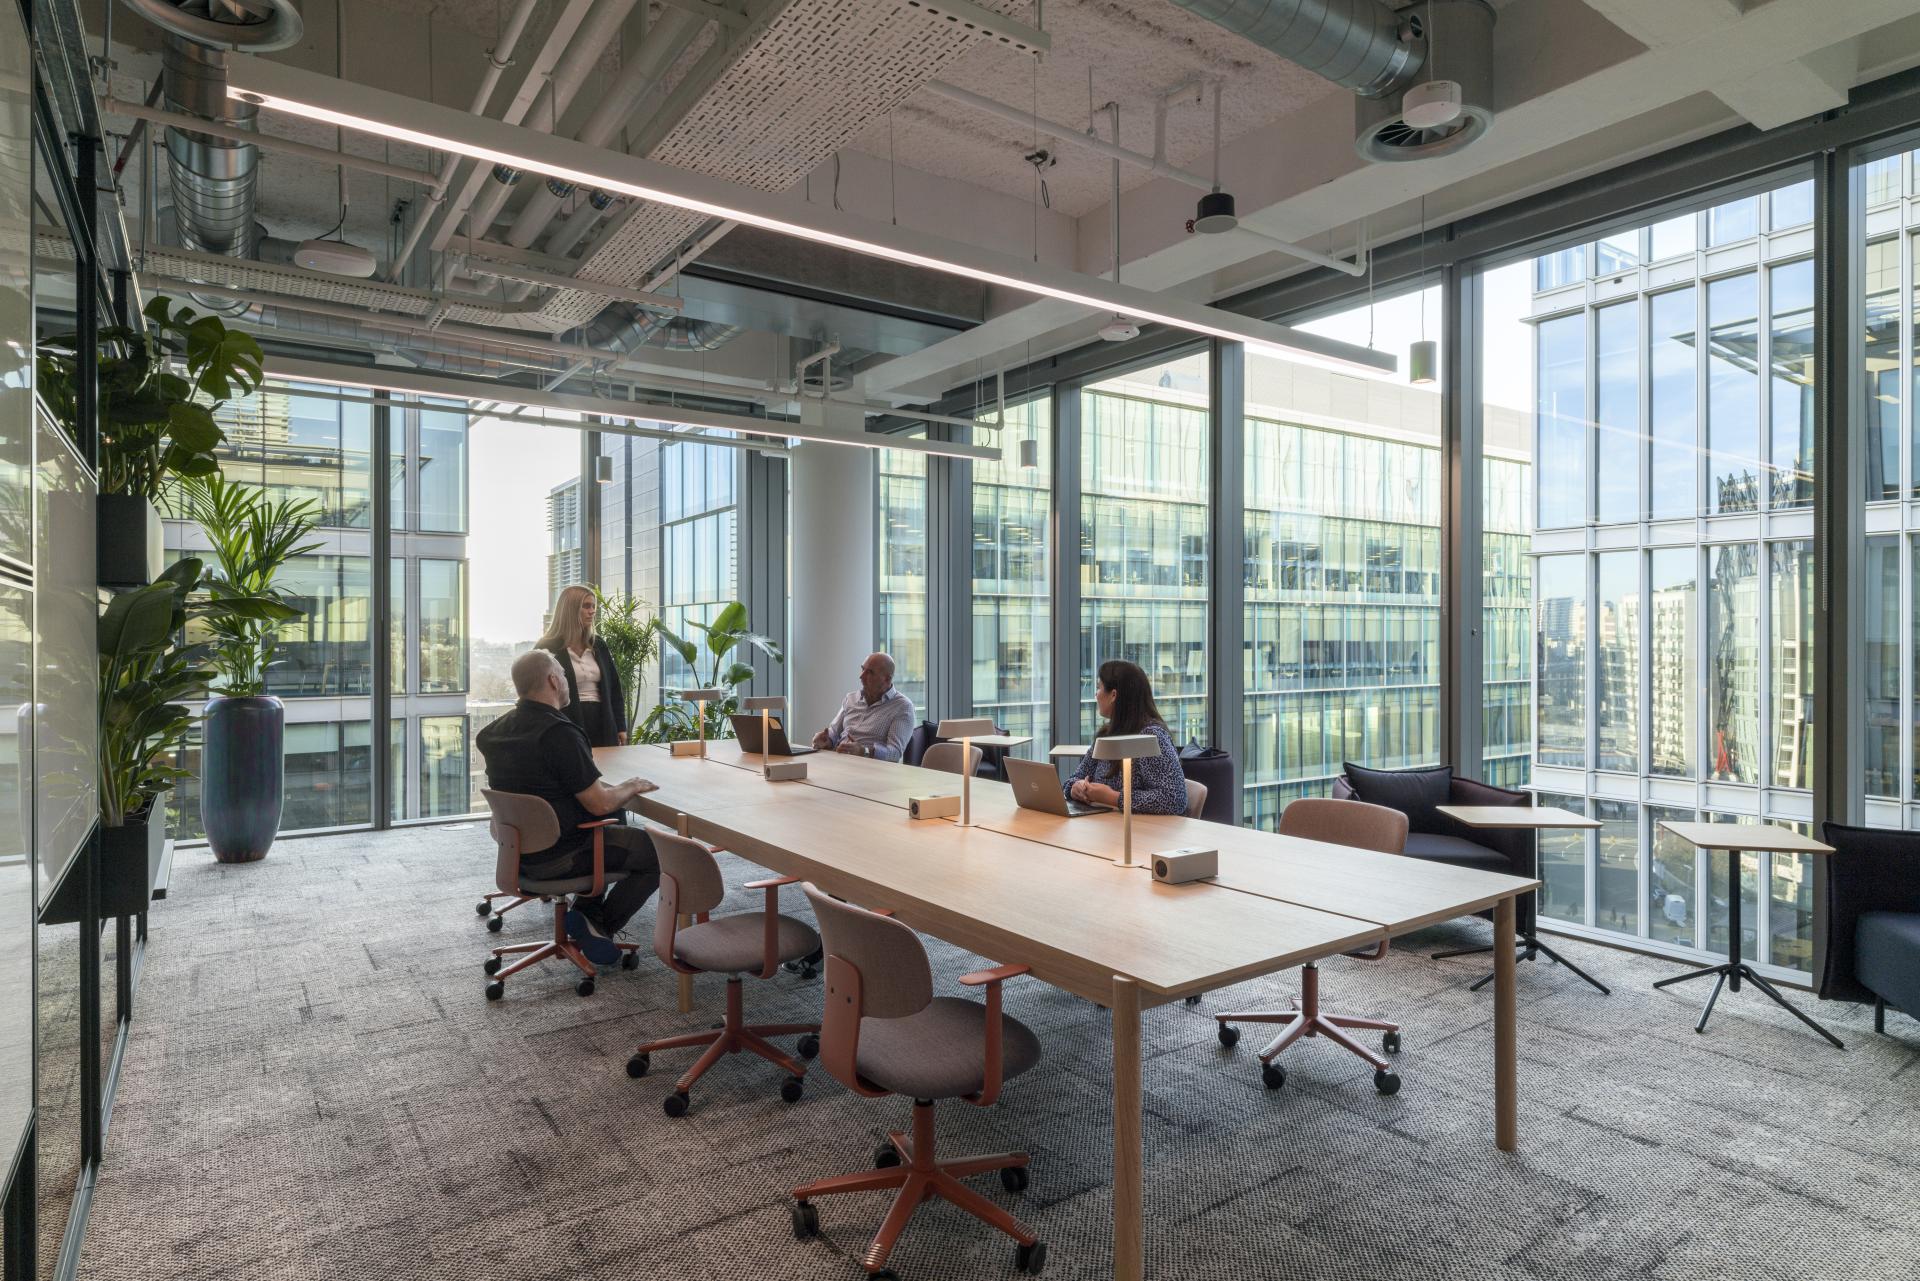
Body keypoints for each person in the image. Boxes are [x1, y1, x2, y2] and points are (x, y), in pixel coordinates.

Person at [476, 650, 659, 964]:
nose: (566, 680)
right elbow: (598, 802)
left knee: (616, 823)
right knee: (658, 852)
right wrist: (631, 786)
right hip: (564, 854)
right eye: (563, 673)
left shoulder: (492, 732)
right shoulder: (558, 732)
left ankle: (586, 914)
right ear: (551, 680)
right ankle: (598, 924)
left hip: (519, 853)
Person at [1064, 659, 1189, 815]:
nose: (1096, 695)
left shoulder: (1151, 736)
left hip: (1142, 832)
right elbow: (1074, 779)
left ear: (1113, 695)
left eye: (1099, 688)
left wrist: (1113, 798)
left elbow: (1174, 798)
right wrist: (1075, 787)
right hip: (1106, 827)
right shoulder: (1106, 735)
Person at [537, 584, 628, 749]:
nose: (592, 611)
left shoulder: (598, 644)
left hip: (603, 720)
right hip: (566, 721)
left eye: (594, 606)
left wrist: (621, 726)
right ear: (570, 609)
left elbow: (614, 688)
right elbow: (538, 694)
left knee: (607, 769)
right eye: (586, 606)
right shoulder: (546, 647)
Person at [810, 651, 915, 761]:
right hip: (838, 761)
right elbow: (834, 732)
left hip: (870, 769)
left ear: (887, 679)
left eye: (870, 672)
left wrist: (863, 751)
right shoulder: (850, 698)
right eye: (862, 669)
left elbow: (894, 753)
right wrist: (826, 739)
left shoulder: (902, 707)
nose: (861, 676)